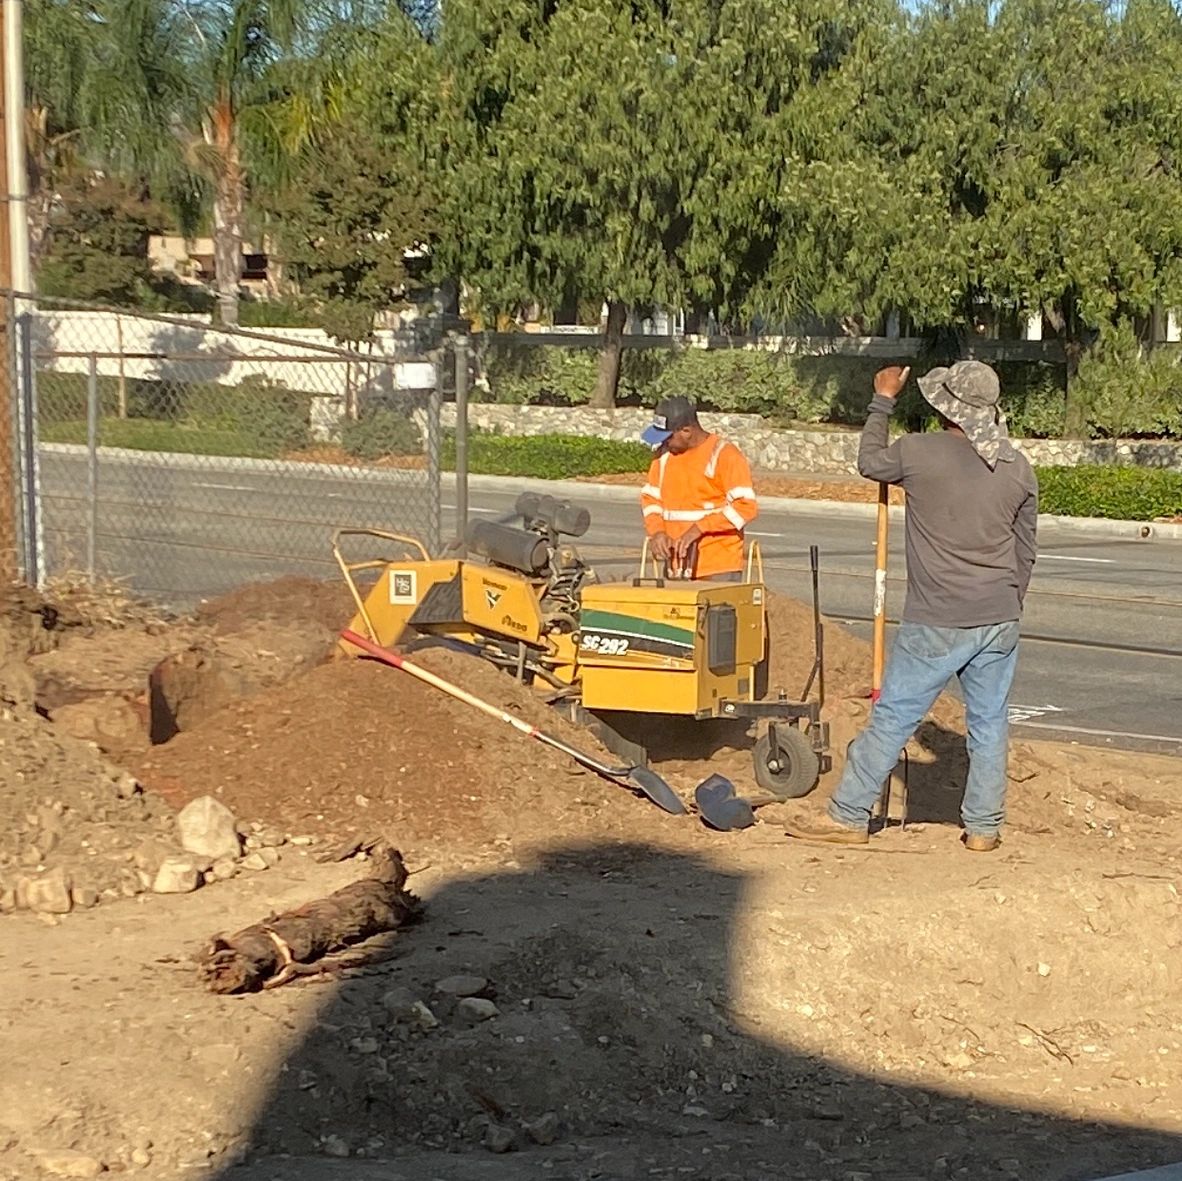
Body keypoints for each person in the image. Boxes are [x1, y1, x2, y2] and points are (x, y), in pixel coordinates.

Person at [786, 361, 1038, 852]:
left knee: (894, 716)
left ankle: (848, 815)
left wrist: (883, 399)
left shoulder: (919, 452)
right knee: (989, 725)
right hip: (999, 615)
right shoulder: (1016, 465)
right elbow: (1025, 550)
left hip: (937, 618)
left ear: (946, 409)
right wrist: (1009, 601)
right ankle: (984, 828)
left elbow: (869, 461)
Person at [639, 395, 758, 581]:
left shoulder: (725, 455)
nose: (664, 444)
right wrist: (657, 532)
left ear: (686, 430)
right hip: (675, 566)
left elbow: (745, 507)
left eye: (668, 438)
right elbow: (651, 500)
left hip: (718, 567)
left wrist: (699, 528)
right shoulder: (663, 457)